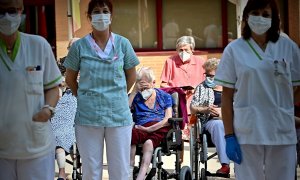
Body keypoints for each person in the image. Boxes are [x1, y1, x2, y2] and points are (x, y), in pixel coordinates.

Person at [214, 0, 300, 179]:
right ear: (246, 16)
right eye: (256, 13)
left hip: (281, 131)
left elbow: (296, 87)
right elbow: (227, 97)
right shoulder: (234, 50)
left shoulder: (288, 47)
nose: (260, 19)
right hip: (247, 132)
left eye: (266, 15)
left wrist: (279, 106)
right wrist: (229, 135)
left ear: (274, 19)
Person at [63, 0, 140, 179]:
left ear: (111, 16)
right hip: (88, 116)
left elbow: (132, 76)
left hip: (118, 115)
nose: (101, 15)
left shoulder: (123, 44)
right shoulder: (79, 46)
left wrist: (118, 95)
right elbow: (70, 79)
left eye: (105, 11)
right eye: (96, 11)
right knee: (91, 170)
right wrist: (84, 97)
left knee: (120, 169)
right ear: (89, 17)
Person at [0, 0, 62, 179]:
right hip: (3, 149)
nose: (6, 17)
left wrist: (48, 109)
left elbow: (52, 88)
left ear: (20, 11)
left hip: (36, 147)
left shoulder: (38, 45)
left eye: (11, 11)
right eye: (1, 12)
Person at [128, 67, 173, 180]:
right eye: (141, 87)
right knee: (129, 136)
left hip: (159, 126)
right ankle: (129, 170)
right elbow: (124, 111)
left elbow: (168, 118)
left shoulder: (164, 96)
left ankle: (141, 176)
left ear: (153, 83)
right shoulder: (135, 97)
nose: (143, 91)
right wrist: (133, 92)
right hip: (140, 127)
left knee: (148, 143)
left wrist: (149, 129)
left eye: (146, 87)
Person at [160, 35, 206, 140]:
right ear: (176, 50)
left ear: (192, 50)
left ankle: (192, 131)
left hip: (195, 99)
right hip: (177, 100)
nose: (183, 52)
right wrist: (177, 90)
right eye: (180, 50)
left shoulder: (201, 62)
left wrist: (195, 89)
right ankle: (183, 132)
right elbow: (163, 84)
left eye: (186, 50)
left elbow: (207, 82)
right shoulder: (170, 61)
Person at [190, 58, 230, 175]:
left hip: (232, 120)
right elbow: (192, 108)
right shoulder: (201, 88)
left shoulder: (231, 88)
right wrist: (205, 109)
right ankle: (225, 165)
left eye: (211, 75)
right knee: (218, 124)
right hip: (211, 122)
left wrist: (224, 112)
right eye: (206, 75)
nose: (208, 78)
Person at [51, 38, 79, 180]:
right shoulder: (61, 62)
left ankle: (65, 170)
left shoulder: (87, 63)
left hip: (79, 99)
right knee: (55, 126)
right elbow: (54, 81)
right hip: (63, 97)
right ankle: (61, 170)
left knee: (66, 129)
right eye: (71, 47)